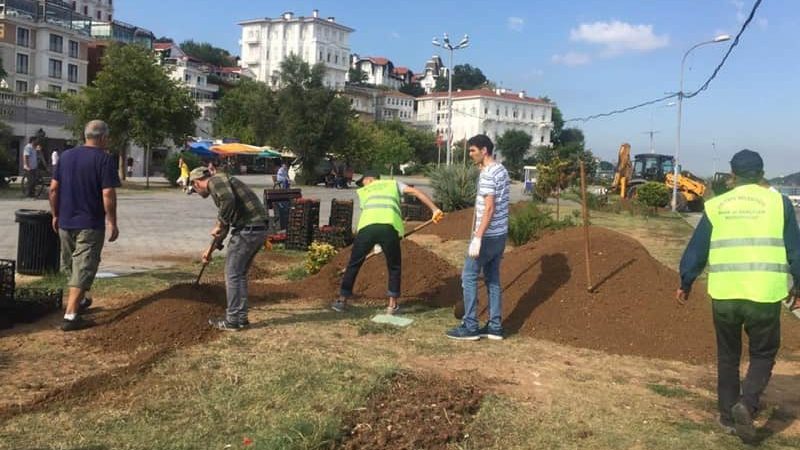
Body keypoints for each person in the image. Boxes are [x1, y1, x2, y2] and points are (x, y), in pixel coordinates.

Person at [677, 149, 800, 443]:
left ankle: (727, 416)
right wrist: (798, 286)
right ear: (761, 173)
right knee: (763, 353)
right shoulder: (779, 203)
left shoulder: (717, 205)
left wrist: (686, 281)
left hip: (725, 293)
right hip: (764, 293)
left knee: (728, 355)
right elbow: (795, 250)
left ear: (732, 175)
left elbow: (697, 249)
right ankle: (747, 403)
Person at [331, 170, 443, 315]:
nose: (362, 184)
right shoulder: (393, 184)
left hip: (367, 229)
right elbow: (416, 192)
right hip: (389, 227)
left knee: (354, 263)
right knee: (394, 266)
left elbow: (370, 214)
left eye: (363, 181)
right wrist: (434, 210)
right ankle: (392, 306)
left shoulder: (365, 191)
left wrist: (375, 242)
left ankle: (342, 301)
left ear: (369, 179)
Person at [49, 120, 121, 332]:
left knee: (71, 264)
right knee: (84, 266)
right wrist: (112, 222)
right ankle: (71, 317)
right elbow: (107, 193)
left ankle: (79, 302)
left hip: (65, 221)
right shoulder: (104, 159)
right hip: (89, 223)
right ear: (103, 137)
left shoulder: (66, 156)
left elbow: (53, 189)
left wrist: (55, 215)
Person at [188, 166, 269, 331]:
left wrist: (219, 223)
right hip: (257, 229)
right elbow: (224, 227)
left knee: (232, 275)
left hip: (248, 230)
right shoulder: (222, 184)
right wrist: (209, 251)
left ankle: (232, 320)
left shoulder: (215, 181)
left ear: (196, 183)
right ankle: (241, 318)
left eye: (194, 190)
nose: (197, 193)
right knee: (238, 275)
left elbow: (228, 202)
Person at [446, 134, 510, 341]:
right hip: (500, 235)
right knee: (492, 279)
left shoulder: (488, 174)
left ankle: (471, 325)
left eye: (473, 151)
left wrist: (478, 237)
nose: (470, 155)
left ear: (484, 151)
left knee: (469, 276)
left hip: (487, 235)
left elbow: (489, 208)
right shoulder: (501, 170)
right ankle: (495, 326)